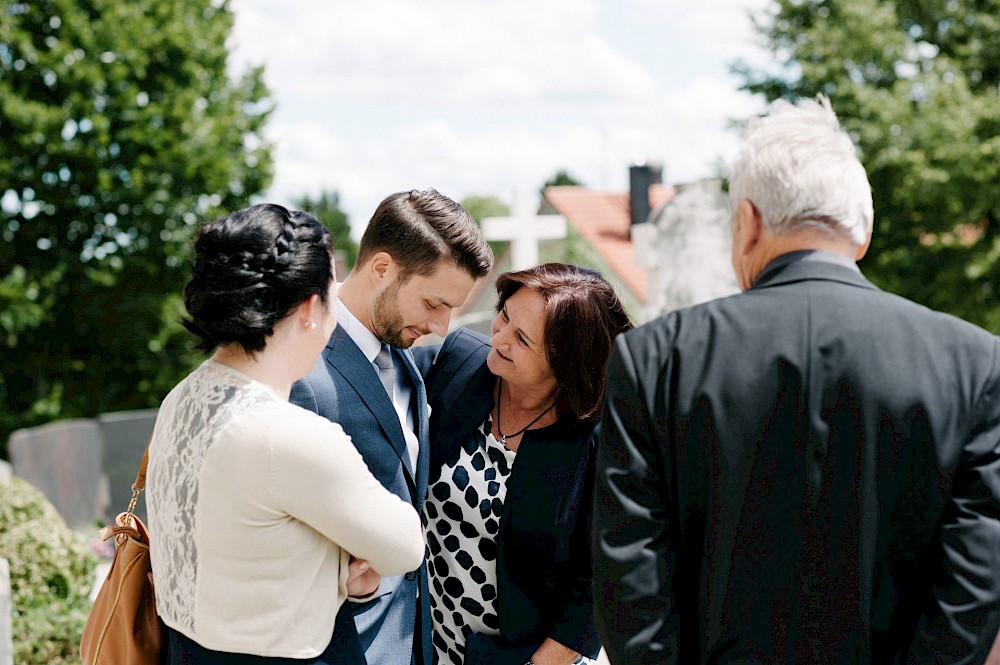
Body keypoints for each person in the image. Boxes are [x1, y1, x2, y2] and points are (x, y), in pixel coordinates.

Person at [592, 96, 1000, 664]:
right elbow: (974, 590)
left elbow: (629, 579)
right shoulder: (977, 364)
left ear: (748, 222)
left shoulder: (653, 359)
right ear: (864, 229)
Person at [146, 203, 425, 664]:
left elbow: (240, 543)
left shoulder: (183, 396)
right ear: (310, 307)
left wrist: (331, 573)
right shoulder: (287, 435)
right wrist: (342, 562)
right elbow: (405, 547)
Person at [290, 188, 493, 665]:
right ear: (382, 269)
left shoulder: (406, 360)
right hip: (336, 648)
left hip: (412, 643)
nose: (442, 327)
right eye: (433, 304)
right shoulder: (300, 366)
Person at [415, 263, 633, 665]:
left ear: (566, 363)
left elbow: (598, 587)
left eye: (523, 339)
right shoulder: (459, 365)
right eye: (505, 316)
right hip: (431, 646)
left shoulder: (602, 442)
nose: (499, 337)